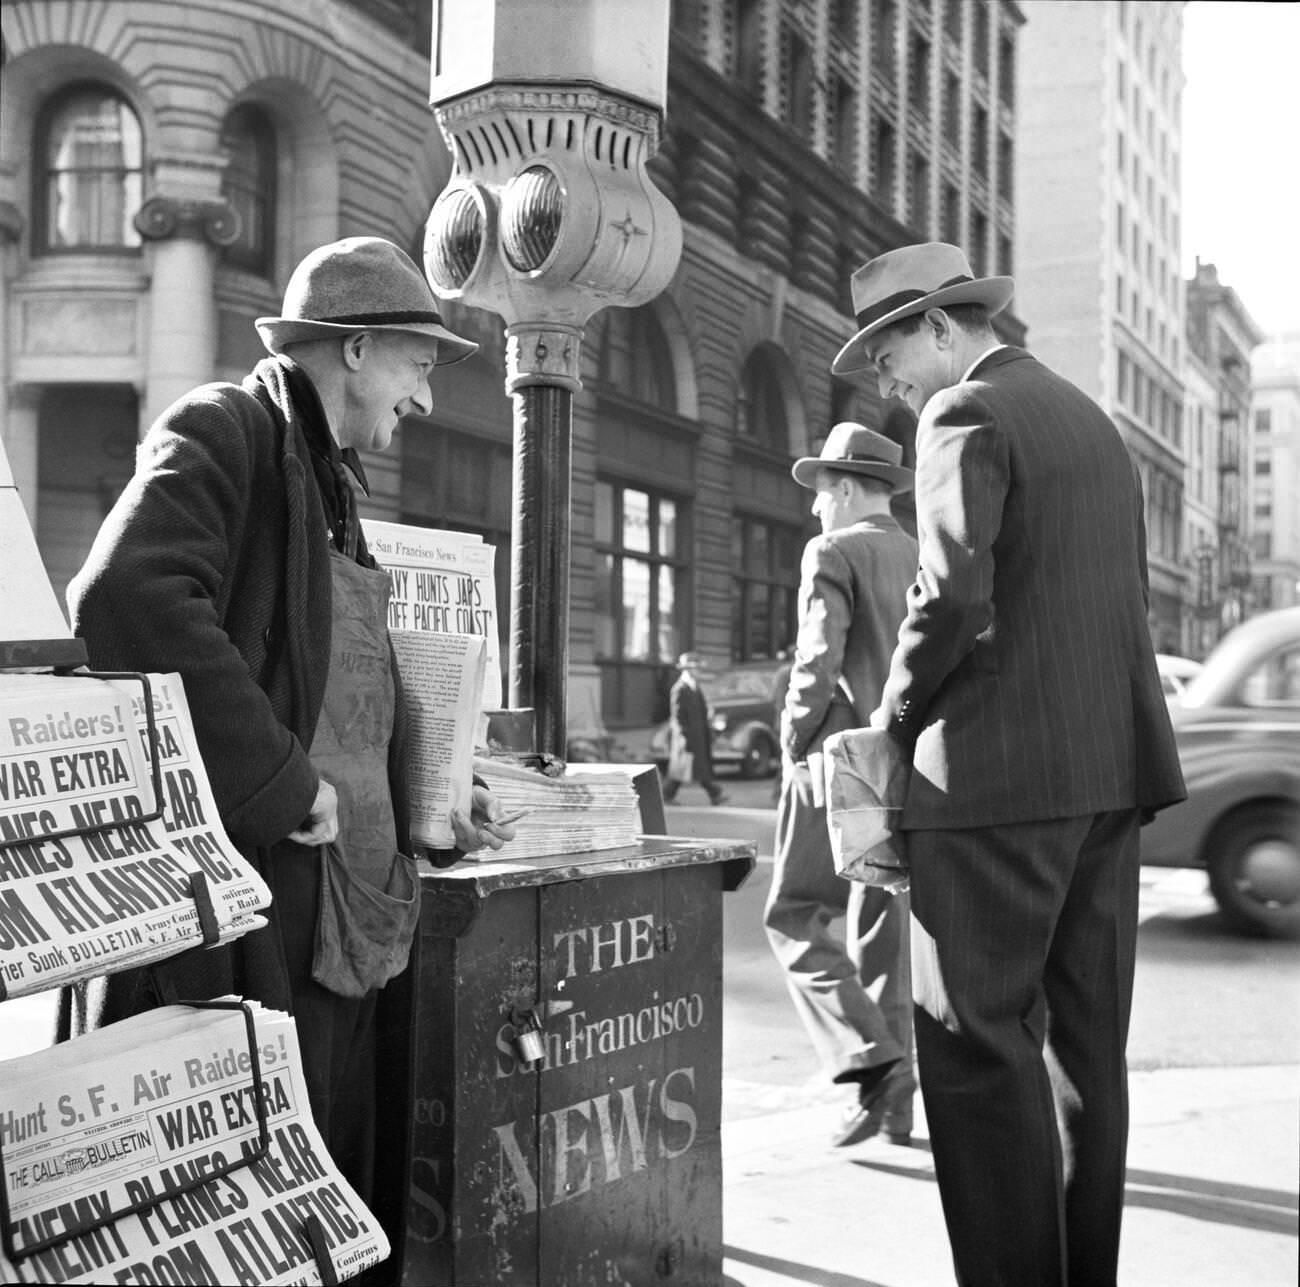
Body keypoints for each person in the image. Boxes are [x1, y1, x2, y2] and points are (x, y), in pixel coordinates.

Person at [61, 236, 518, 1208]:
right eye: (418, 365)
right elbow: (125, 596)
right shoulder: (226, 426)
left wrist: (430, 790)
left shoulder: (328, 481)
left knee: (331, 1180)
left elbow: (338, 683)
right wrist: (279, 782)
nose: (426, 398)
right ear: (353, 349)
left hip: (346, 910)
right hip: (265, 906)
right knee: (251, 1187)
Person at [832, 242, 1186, 1285]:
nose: (892, 390)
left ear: (943, 328)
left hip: (991, 787)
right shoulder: (1091, 423)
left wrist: (892, 727)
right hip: (1107, 777)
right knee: (1085, 1058)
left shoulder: (964, 414)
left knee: (975, 1052)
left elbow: (950, 597)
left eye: (892, 360)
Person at [762, 423, 918, 1148]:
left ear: (849, 488)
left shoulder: (832, 550)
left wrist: (794, 743)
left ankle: (870, 1057)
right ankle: (896, 1100)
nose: (815, 508)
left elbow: (816, 662)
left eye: (823, 493)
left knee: (794, 914)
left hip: (836, 760)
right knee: (880, 927)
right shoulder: (921, 554)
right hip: (907, 760)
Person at [661, 651, 727, 806]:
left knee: (697, 767)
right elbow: (677, 716)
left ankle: (714, 793)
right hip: (687, 736)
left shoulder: (694, 687)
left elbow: (702, 711)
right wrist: (683, 736)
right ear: (688, 669)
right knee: (683, 769)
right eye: (696, 668)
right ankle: (667, 794)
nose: (699, 671)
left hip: (699, 735)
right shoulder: (679, 689)